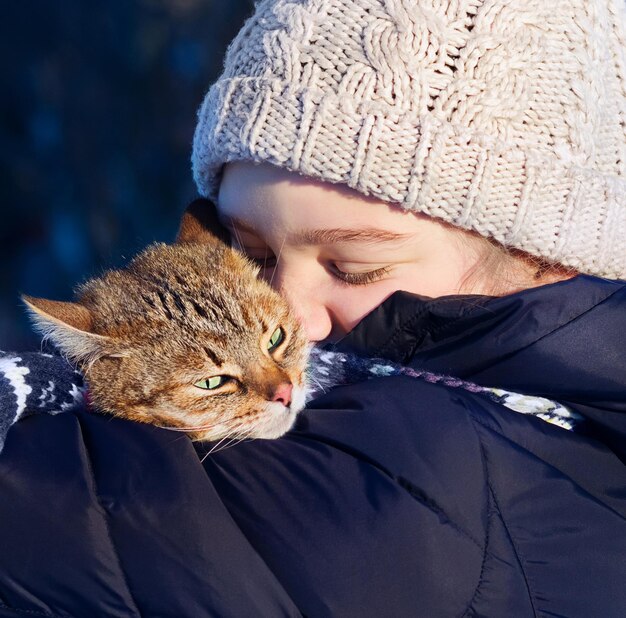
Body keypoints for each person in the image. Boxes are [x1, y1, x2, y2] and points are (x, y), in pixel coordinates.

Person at [1, 0, 625, 616]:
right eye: (251, 254)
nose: (290, 316)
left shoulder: (424, 479)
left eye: (355, 269)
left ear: (541, 258)